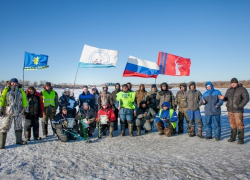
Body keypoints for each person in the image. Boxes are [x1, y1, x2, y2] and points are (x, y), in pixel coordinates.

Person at [218, 78, 249, 144]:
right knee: (232, 124)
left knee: (239, 124)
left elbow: (246, 98)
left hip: (238, 110)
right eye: (232, 83)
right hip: (230, 110)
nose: (233, 84)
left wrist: (240, 105)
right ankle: (233, 137)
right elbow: (226, 98)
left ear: (237, 83)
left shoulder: (242, 89)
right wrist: (223, 98)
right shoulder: (229, 90)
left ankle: (240, 139)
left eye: (234, 83)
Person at [0, 78, 28, 149]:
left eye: (15, 83)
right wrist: (1, 109)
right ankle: (1, 144)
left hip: (18, 112)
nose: (14, 84)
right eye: (13, 83)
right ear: (10, 83)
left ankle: (19, 140)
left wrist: (26, 110)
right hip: (7, 112)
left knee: (18, 126)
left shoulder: (21, 91)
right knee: (4, 128)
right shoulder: (5, 90)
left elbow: (25, 101)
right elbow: (1, 100)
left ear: (17, 83)